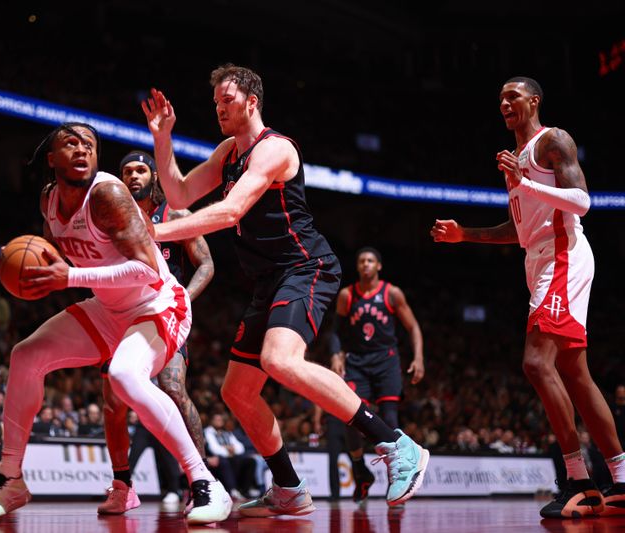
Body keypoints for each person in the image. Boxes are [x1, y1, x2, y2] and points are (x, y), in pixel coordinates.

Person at [142, 64, 429, 516]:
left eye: (228, 100)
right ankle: (289, 488)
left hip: (306, 267)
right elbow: (177, 196)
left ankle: (396, 444)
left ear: (252, 102)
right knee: (237, 391)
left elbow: (231, 211)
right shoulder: (227, 153)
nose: (220, 108)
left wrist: (153, 235)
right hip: (268, 282)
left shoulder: (274, 149)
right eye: (216, 102)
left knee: (279, 360)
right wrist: (163, 137)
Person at [0, 123, 231, 524]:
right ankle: (11, 480)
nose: (81, 149)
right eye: (70, 143)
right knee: (26, 356)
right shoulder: (49, 202)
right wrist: (25, 264)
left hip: (158, 302)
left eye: (89, 144)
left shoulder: (108, 195)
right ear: (52, 159)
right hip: (108, 308)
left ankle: (205, 482)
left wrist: (70, 278)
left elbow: (145, 271)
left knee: (126, 375)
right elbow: (54, 251)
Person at [430, 76, 625, 519]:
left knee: (536, 363)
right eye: (499, 97)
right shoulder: (515, 160)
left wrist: (525, 182)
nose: (504, 102)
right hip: (537, 259)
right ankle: (622, 479)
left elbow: (581, 202)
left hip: (563, 255)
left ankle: (579, 480)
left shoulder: (551, 141)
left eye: (512, 96)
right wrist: (465, 236)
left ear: (533, 101)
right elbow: (517, 230)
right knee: (575, 372)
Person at [95, 150, 216, 514]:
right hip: (120, 316)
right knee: (112, 402)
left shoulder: (175, 216)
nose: (133, 176)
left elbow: (206, 264)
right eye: (127, 171)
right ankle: (123, 486)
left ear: (153, 177)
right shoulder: (111, 221)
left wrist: (186, 300)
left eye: (141, 170)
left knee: (174, 388)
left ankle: (201, 481)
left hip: (162, 317)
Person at [326, 247, 425, 502]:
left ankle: (398, 481)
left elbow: (413, 326)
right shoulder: (347, 295)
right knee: (349, 414)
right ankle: (360, 471)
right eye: (361, 261)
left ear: (378, 266)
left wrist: (418, 358)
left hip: (386, 362)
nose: (366, 264)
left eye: (370, 260)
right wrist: (336, 355)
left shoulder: (391, 293)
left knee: (391, 420)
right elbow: (335, 331)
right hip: (357, 362)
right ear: (358, 266)